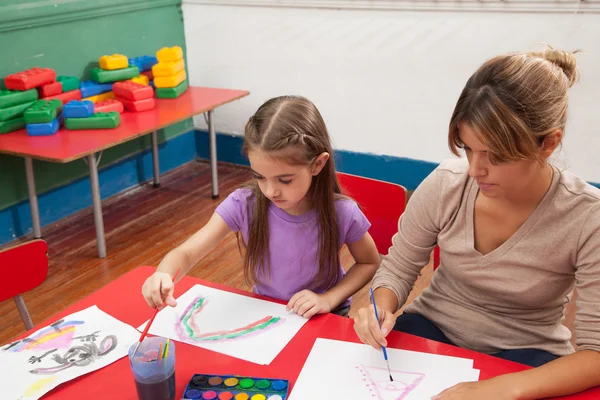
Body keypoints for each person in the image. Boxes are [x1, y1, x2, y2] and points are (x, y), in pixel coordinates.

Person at [353, 47, 600, 399]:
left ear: (548, 144)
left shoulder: (588, 216)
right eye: (468, 149)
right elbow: (399, 267)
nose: (475, 170)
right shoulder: (447, 183)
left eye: (495, 156)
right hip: (431, 327)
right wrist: (380, 306)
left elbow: (595, 354)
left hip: (528, 354)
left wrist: (502, 389)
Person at [142, 95, 380, 319]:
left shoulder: (342, 212)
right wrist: (163, 274)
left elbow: (369, 262)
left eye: (284, 180)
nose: (270, 191)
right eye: (259, 176)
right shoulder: (244, 203)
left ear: (318, 164)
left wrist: (328, 299)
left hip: (324, 315)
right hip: (267, 314)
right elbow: (186, 252)